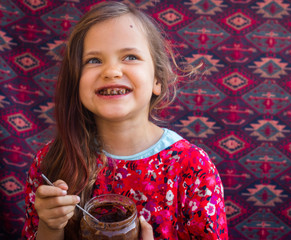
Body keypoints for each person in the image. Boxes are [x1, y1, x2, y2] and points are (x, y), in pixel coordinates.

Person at [22, 1, 228, 239]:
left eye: (130, 56)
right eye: (93, 60)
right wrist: (51, 226)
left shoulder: (192, 168)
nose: (111, 71)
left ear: (157, 80)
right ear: (76, 81)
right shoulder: (50, 163)